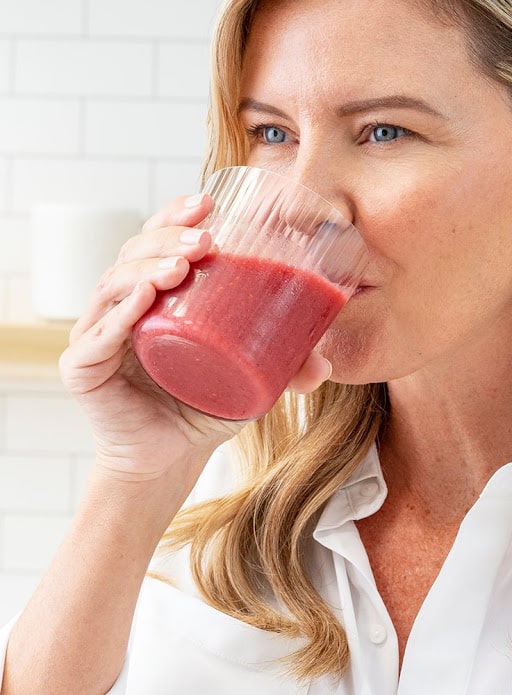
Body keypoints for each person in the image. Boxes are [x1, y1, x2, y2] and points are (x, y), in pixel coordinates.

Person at [2, 0, 512, 692]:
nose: (299, 204)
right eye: (272, 132)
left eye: (383, 131)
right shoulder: (226, 466)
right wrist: (135, 483)